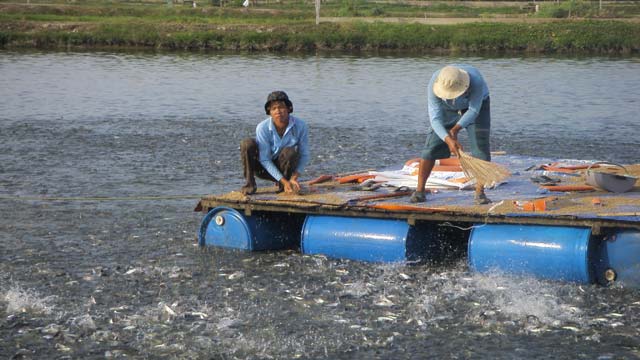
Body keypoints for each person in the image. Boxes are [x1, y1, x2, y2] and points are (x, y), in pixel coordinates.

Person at [411, 64, 492, 205]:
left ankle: (480, 193)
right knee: (430, 148)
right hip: (446, 108)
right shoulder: (434, 83)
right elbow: (435, 119)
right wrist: (448, 139)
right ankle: (419, 191)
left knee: (480, 149)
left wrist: (455, 130)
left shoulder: (476, 80)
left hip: (475, 107)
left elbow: (473, 111)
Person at [240, 91, 310, 195]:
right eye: (274, 108)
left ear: (288, 109)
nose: (278, 111)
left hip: (284, 167)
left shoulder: (300, 126)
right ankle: (250, 185)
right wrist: (283, 180)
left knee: (290, 152)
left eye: (281, 107)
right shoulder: (262, 127)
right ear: (270, 112)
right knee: (247, 144)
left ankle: (285, 186)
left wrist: (294, 177)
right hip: (262, 169)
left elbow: (305, 155)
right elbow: (264, 159)